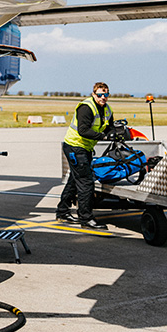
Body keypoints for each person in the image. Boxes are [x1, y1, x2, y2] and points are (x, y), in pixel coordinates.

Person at [57, 82, 118, 230]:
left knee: (74, 180)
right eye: (100, 95)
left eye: (106, 94)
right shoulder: (86, 107)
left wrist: (115, 133)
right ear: (93, 94)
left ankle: (62, 212)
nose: (103, 97)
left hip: (85, 148)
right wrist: (102, 137)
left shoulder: (107, 109)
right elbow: (83, 130)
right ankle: (86, 218)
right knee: (86, 183)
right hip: (75, 146)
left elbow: (109, 127)